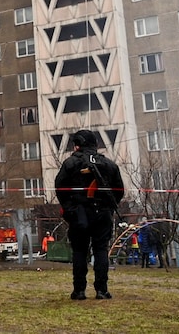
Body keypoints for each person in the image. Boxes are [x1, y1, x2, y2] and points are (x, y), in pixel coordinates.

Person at [55, 129, 124, 301]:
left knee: (79, 251)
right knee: (101, 250)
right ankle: (102, 290)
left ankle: (79, 291)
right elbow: (119, 190)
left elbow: (60, 187)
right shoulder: (109, 164)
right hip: (102, 214)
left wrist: (70, 209)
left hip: (79, 214)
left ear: (78, 144)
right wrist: (108, 206)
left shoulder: (70, 163)